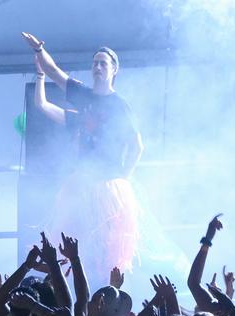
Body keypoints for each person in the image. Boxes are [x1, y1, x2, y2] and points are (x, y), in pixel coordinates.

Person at [22, 32, 144, 285]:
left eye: (103, 63)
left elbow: (137, 146)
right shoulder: (83, 96)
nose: (97, 67)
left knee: (106, 247)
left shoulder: (120, 106)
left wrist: (123, 178)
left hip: (108, 185)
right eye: (95, 63)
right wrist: (39, 51)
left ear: (114, 70)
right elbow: (54, 72)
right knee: (78, 241)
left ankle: (106, 294)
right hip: (82, 182)